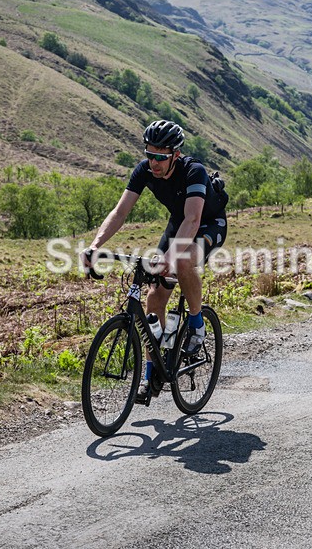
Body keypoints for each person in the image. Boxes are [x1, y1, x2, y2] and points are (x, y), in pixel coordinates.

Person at [82, 119, 227, 399]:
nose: (154, 163)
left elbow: (193, 218)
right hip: (178, 223)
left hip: (208, 223)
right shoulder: (144, 170)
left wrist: (170, 258)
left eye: (160, 157)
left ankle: (197, 325)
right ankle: (152, 375)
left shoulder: (193, 170)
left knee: (183, 261)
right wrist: (94, 246)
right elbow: (120, 212)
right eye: (149, 154)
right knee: (154, 296)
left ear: (175, 154)